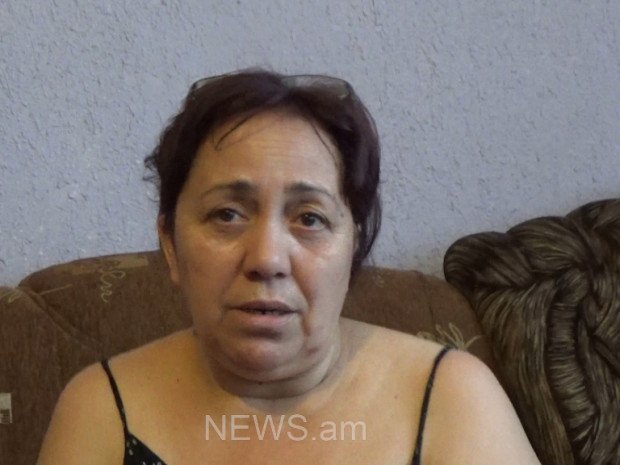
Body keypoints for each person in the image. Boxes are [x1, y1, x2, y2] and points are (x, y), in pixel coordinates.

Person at [37, 69, 540, 465]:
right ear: (170, 245)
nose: (267, 260)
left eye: (309, 218)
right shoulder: (103, 409)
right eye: (227, 214)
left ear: (353, 248)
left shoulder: (451, 397)